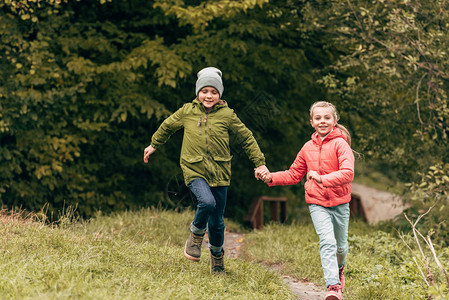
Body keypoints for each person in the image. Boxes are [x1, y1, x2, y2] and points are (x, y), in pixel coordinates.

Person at [143, 67, 268, 274]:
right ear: (197, 92)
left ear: (219, 94)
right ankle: (195, 235)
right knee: (206, 202)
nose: (208, 96)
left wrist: (259, 162)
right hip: (194, 169)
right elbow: (167, 126)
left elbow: (246, 137)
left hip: (220, 172)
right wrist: (154, 144)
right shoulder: (187, 111)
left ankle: (217, 257)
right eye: (204, 91)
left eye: (213, 92)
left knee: (218, 222)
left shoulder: (228, 115)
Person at [256, 101, 354, 300]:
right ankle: (333, 287)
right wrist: (270, 177)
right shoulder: (307, 147)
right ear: (312, 122)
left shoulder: (341, 144)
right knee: (327, 242)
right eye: (318, 118)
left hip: (340, 202)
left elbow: (348, 173)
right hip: (317, 202)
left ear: (334, 121)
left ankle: (340, 267)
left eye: (327, 118)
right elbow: (294, 174)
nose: (323, 121)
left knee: (341, 247)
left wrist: (322, 178)